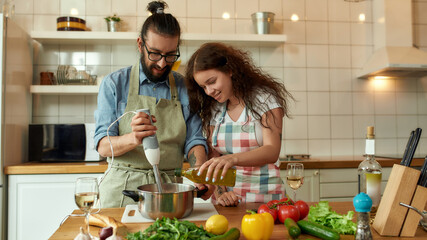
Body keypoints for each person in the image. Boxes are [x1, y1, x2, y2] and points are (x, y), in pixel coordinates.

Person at [94, 1, 214, 208]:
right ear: (140, 45)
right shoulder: (115, 84)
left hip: (168, 191)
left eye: (170, 55)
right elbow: (103, 146)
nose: (162, 63)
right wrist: (134, 138)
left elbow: (194, 140)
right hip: (122, 190)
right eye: (155, 53)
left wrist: (199, 172)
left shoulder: (186, 87)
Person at [184, 42, 294, 207]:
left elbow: (272, 150)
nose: (209, 91)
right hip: (229, 202)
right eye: (203, 87)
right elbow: (214, 157)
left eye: (212, 81)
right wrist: (221, 193)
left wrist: (232, 159)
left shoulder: (264, 98)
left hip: (265, 200)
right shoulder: (215, 108)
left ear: (230, 70)